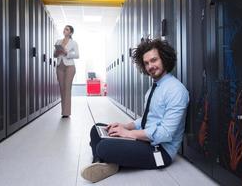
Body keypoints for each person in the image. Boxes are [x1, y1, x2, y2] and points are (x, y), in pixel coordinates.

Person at [81, 38, 189, 183]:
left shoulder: (176, 90)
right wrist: (124, 126)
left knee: (103, 146)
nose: (150, 66)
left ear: (164, 58)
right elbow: (146, 120)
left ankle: (103, 160)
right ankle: (103, 164)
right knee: (98, 128)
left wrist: (128, 134)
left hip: (160, 151)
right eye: (146, 63)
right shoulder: (153, 88)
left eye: (154, 60)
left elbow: (165, 134)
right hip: (145, 140)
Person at [54, 25, 79, 118]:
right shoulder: (58, 41)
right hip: (60, 65)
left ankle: (66, 112)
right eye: (64, 28)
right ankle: (64, 110)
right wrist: (57, 52)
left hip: (69, 66)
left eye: (67, 29)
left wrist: (67, 53)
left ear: (71, 33)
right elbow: (54, 55)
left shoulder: (73, 43)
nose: (65, 30)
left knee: (67, 88)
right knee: (62, 88)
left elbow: (77, 55)